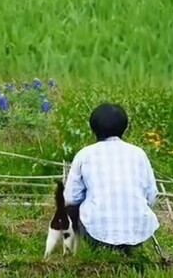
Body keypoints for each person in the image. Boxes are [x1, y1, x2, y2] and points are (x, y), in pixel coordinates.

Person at [63, 102, 159, 254]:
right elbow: (151, 196)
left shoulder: (85, 154)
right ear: (124, 127)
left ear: (93, 128)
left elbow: (70, 198)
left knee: (71, 207)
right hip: (139, 230)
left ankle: (90, 247)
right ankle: (129, 247)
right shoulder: (138, 153)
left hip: (96, 232)